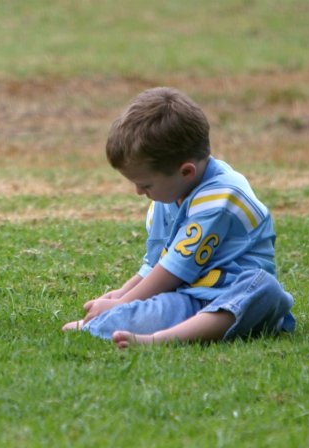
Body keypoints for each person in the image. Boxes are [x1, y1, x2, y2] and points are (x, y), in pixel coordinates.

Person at [62, 87, 295, 348]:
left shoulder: (221, 197)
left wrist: (121, 304)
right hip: (188, 297)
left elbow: (173, 271)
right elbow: (157, 264)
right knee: (161, 307)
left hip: (236, 296)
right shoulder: (167, 194)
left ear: (186, 171)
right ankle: (113, 323)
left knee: (265, 288)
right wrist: (122, 293)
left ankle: (156, 339)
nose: (139, 192)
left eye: (146, 184)